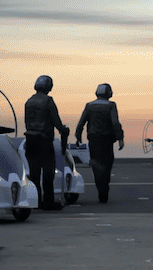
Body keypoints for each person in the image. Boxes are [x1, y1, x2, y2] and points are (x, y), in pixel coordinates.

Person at [23, 75, 69, 210]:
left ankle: (36, 201)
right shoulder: (48, 101)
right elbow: (56, 121)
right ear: (49, 87)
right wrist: (63, 130)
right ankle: (48, 202)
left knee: (34, 173)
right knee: (48, 173)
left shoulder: (29, 101)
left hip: (30, 140)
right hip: (44, 141)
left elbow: (27, 122)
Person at [75, 83, 124, 204]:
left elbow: (81, 122)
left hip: (93, 139)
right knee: (107, 164)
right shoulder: (111, 106)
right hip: (106, 140)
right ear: (109, 93)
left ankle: (100, 189)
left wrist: (78, 136)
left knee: (96, 165)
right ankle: (104, 189)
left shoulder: (89, 106)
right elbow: (115, 123)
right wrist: (120, 138)